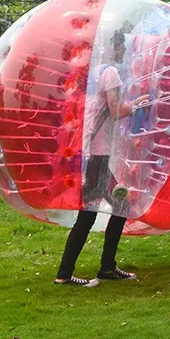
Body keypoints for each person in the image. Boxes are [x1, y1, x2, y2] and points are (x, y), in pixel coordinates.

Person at [54, 27, 149, 287]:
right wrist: (138, 105)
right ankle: (67, 273)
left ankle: (105, 267)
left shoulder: (95, 72)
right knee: (94, 212)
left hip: (92, 151)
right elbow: (116, 111)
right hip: (97, 153)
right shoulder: (111, 72)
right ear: (115, 47)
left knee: (114, 207)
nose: (126, 51)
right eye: (124, 46)